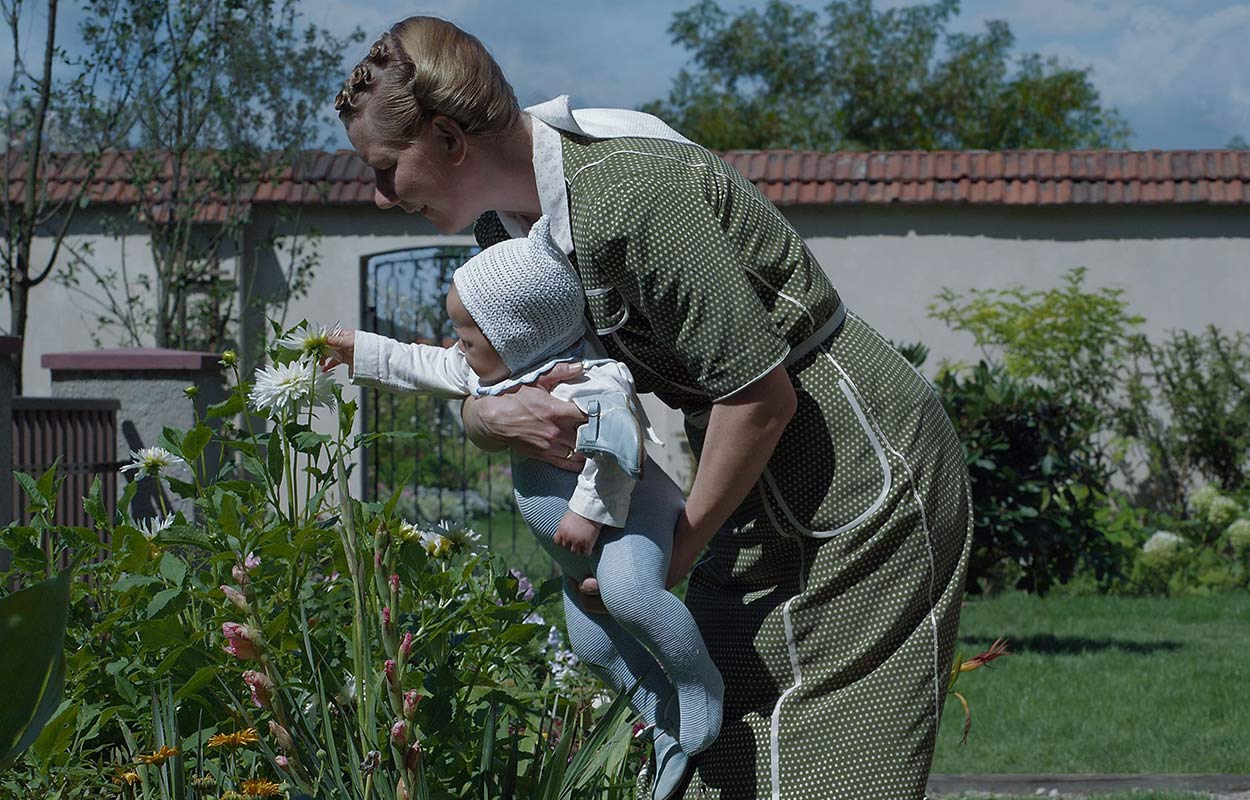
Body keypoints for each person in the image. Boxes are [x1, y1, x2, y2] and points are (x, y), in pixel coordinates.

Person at [334, 16, 973, 800]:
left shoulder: (630, 198)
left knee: (828, 764)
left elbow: (760, 397)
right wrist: (485, 421)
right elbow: (510, 376)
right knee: (723, 743)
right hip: (743, 475)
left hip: (850, 459)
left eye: (387, 167)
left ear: (447, 139)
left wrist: (675, 556)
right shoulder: (505, 228)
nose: (379, 194)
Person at [325, 217, 722, 799]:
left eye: (467, 334)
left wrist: (587, 513)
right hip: (574, 553)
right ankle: (660, 713)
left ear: (515, 334)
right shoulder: (496, 374)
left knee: (632, 593)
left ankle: (698, 684)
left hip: (626, 520)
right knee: (591, 643)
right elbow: (422, 364)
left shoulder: (591, 379)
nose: (455, 343)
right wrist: (357, 348)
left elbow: (619, 445)